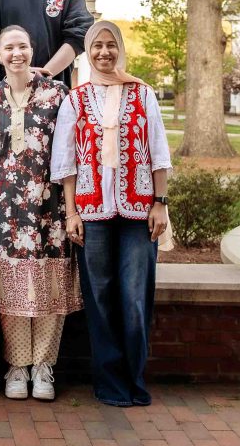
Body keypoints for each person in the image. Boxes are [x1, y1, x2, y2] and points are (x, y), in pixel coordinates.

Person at [50, 21, 172, 407]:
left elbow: (159, 151)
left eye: (111, 45)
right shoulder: (76, 99)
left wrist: (160, 202)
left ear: (120, 49)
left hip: (139, 212)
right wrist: (71, 213)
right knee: (99, 298)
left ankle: (135, 380)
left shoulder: (143, 93)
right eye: (97, 46)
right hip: (92, 212)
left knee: (134, 298)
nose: (104, 52)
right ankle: (109, 382)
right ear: (88, 52)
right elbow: (65, 162)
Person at [0, 25, 82, 401]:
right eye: (8, 48)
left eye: (22, 46)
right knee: (12, 286)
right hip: (4, 207)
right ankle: (17, 366)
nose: (16, 53)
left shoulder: (59, 95)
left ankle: (43, 366)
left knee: (51, 286)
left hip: (50, 205)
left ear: (32, 50)